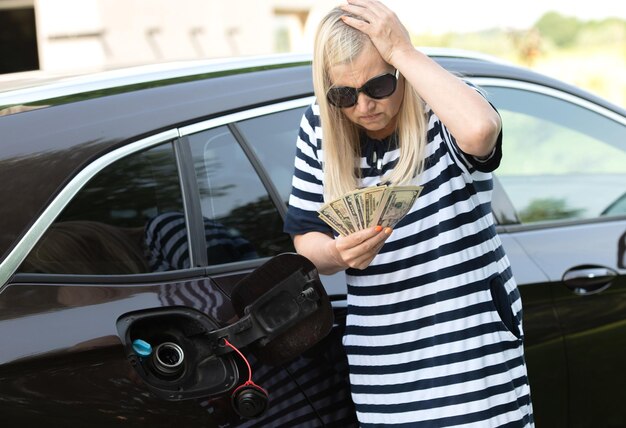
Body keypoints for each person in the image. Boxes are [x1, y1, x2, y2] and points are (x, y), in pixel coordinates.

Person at [283, 0, 534, 426]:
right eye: (344, 94)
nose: (364, 106)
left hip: (470, 357)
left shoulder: (441, 107)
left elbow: (480, 131)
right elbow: (306, 243)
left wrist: (402, 50)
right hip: (382, 366)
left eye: (378, 86)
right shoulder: (318, 128)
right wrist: (338, 255)